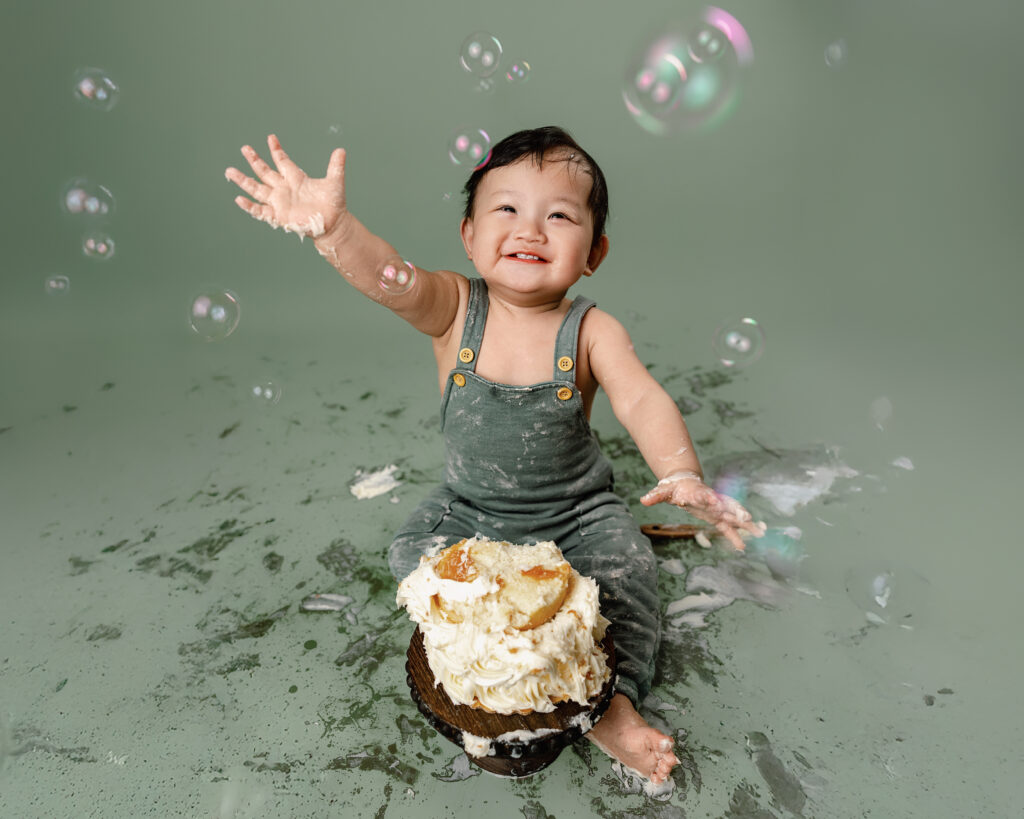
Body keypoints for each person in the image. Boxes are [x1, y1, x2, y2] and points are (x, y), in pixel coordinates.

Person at [225, 126, 764, 786]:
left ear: (593, 251)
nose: (530, 230)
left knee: (627, 572)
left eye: (558, 215)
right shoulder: (454, 308)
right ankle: (492, 662)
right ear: (469, 236)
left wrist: (680, 470)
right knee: (409, 554)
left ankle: (611, 704)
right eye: (506, 209)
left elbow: (641, 398)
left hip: (576, 515)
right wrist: (333, 229)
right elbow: (389, 278)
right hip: (473, 512)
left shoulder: (591, 329)